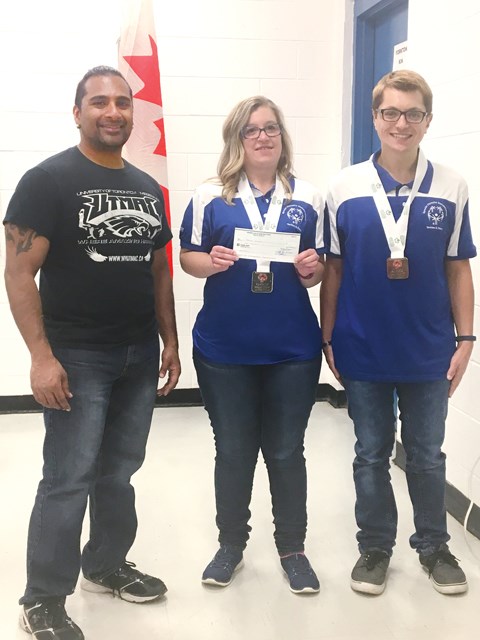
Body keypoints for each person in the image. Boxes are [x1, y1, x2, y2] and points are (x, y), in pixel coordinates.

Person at [3, 66, 181, 639]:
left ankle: (104, 565)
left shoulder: (148, 188)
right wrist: (40, 356)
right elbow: (19, 271)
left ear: (134, 114)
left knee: (120, 472)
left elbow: (159, 269)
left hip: (137, 353)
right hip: (77, 356)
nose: (113, 112)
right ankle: (43, 599)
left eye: (123, 103)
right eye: (99, 102)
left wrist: (170, 340)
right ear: (77, 111)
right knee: (68, 478)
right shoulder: (46, 179)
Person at [320, 69, 476, 596]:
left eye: (413, 113)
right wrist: (328, 337)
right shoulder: (343, 188)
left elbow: (459, 267)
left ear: (428, 120)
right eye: (390, 112)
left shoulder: (453, 185)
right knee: (369, 452)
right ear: (375, 117)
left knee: (427, 455)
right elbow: (334, 270)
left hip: (429, 349)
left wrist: (466, 340)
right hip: (361, 344)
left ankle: (433, 547)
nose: (401, 123)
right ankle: (375, 547)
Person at [179, 96, 325, 594]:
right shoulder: (209, 197)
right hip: (225, 350)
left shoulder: (308, 197)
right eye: (252, 130)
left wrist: (311, 270)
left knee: (286, 452)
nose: (263, 137)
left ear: (282, 137)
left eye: (271, 128)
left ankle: (292, 548)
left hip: (292, 350)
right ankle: (231, 546)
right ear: (236, 139)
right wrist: (211, 262)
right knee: (235, 452)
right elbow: (188, 258)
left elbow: (317, 270)